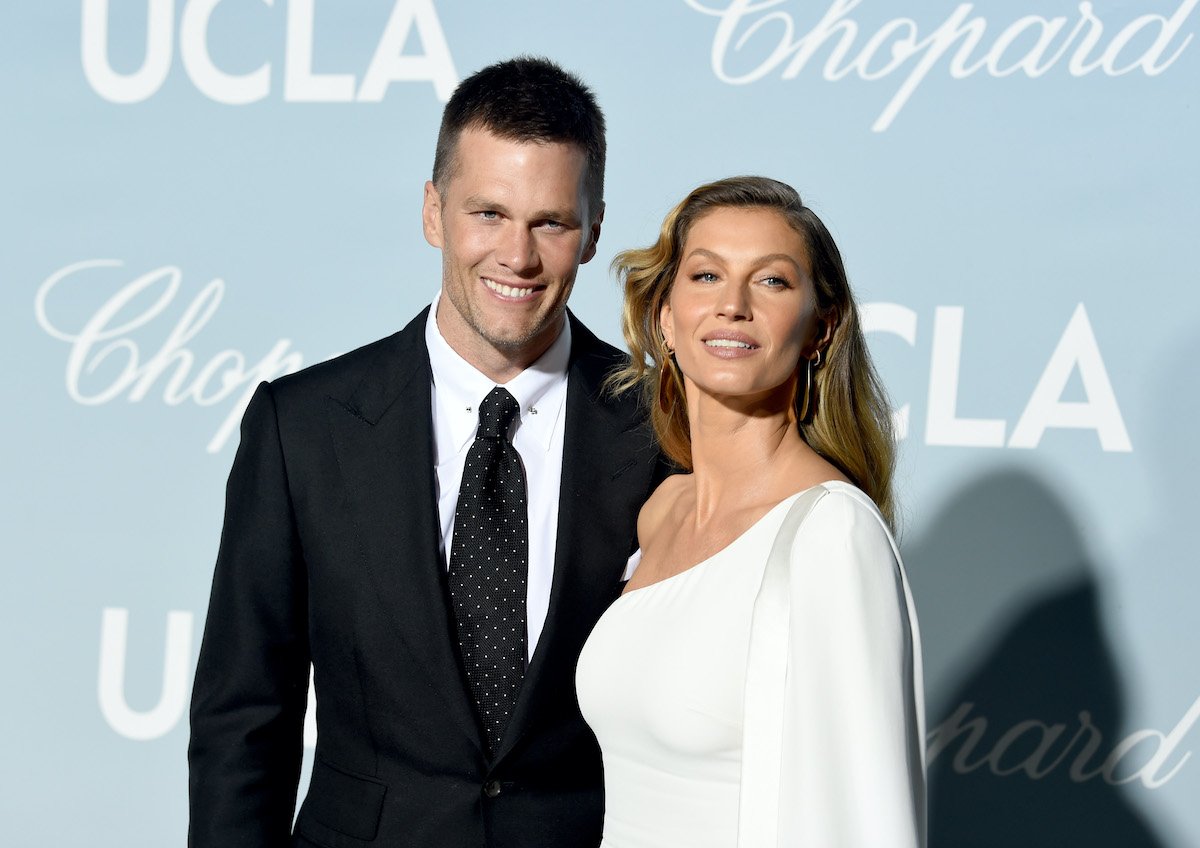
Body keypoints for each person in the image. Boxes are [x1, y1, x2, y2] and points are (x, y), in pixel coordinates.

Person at [188, 57, 662, 848]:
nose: (517, 255)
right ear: (433, 213)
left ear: (595, 231)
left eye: (551, 221)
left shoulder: (663, 430)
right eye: (488, 213)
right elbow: (244, 719)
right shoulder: (302, 427)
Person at [576, 176, 926, 846]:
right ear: (665, 318)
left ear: (821, 328)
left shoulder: (830, 534)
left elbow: (864, 818)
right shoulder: (661, 511)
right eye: (706, 275)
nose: (732, 305)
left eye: (771, 282)